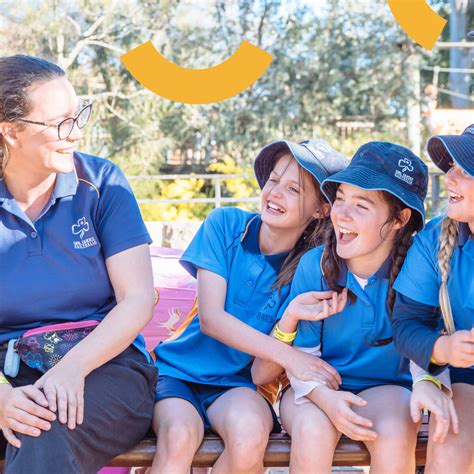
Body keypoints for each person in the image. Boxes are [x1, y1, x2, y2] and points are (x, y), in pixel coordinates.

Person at [150, 139, 347, 474]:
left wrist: (289, 318)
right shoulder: (225, 224)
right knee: (180, 435)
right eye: (273, 180)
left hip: (240, 384)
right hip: (178, 372)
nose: (274, 193)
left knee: (250, 437)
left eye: (293, 189)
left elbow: (260, 373)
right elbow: (212, 320)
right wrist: (290, 356)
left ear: (320, 209)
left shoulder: (311, 269)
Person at [0, 54, 157, 473]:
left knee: (43, 426)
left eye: (79, 115)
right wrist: (0, 398)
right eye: (60, 123)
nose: (77, 133)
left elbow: (138, 298)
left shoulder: (102, 183)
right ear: (11, 132)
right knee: (26, 419)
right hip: (7, 368)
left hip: (104, 364)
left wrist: (72, 369)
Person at [253, 141, 430, 473]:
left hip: (387, 388)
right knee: (313, 430)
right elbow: (303, 362)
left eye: (361, 205)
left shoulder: (419, 270)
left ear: (399, 219)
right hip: (312, 388)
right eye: (340, 199)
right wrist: (327, 402)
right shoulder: (315, 266)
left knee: (394, 431)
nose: (342, 214)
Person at [392, 125, 474, 473]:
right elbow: (406, 326)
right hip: (466, 377)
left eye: (464, 169)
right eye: (449, 167)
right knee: (448, 438)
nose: (449, 177)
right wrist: (443, 350)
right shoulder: (432, 239)